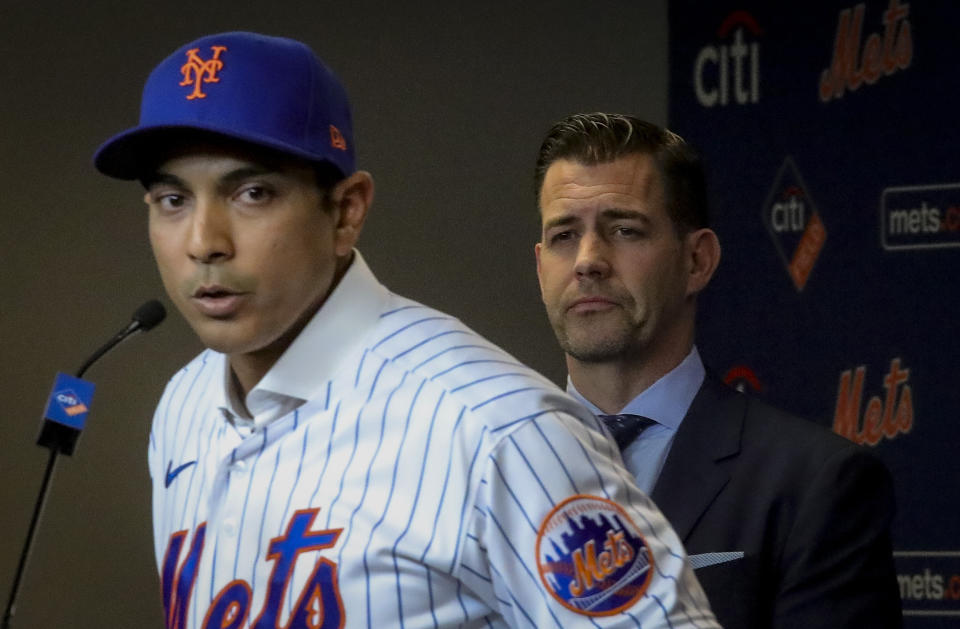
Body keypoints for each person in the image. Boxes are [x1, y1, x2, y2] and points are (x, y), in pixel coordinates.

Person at [93, 33, 719, 628]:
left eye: (252, 193)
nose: (204, 243)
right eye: (173, 201)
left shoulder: (501, 429)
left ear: (346, 210)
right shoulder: (184, 406)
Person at [532, 112, 902, 628]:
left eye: (623, 229)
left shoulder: (815, 484)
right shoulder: (477, 471)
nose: (588, 259)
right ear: (540, 266)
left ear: (697, 261)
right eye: (565, 235)